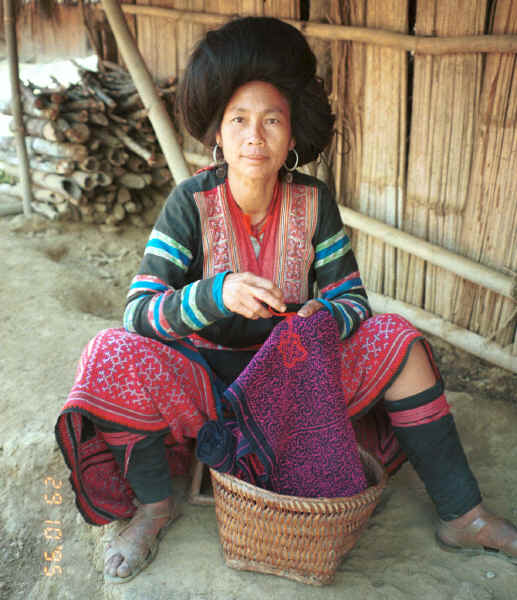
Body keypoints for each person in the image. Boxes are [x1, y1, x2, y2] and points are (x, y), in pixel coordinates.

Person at [55, 16, 517, 584]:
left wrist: (322, 314)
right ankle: (154, 509)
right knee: (110, 353)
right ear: (217, 135)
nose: (256, 136)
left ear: (292, 135)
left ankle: (462, 515)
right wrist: (214, 294)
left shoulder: (314, 201)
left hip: (290, 379)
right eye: (240, 121)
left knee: (398, 340)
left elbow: (353, 301)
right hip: (200, 383)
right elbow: (139, 312)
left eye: (272, 120)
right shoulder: (189, 201)